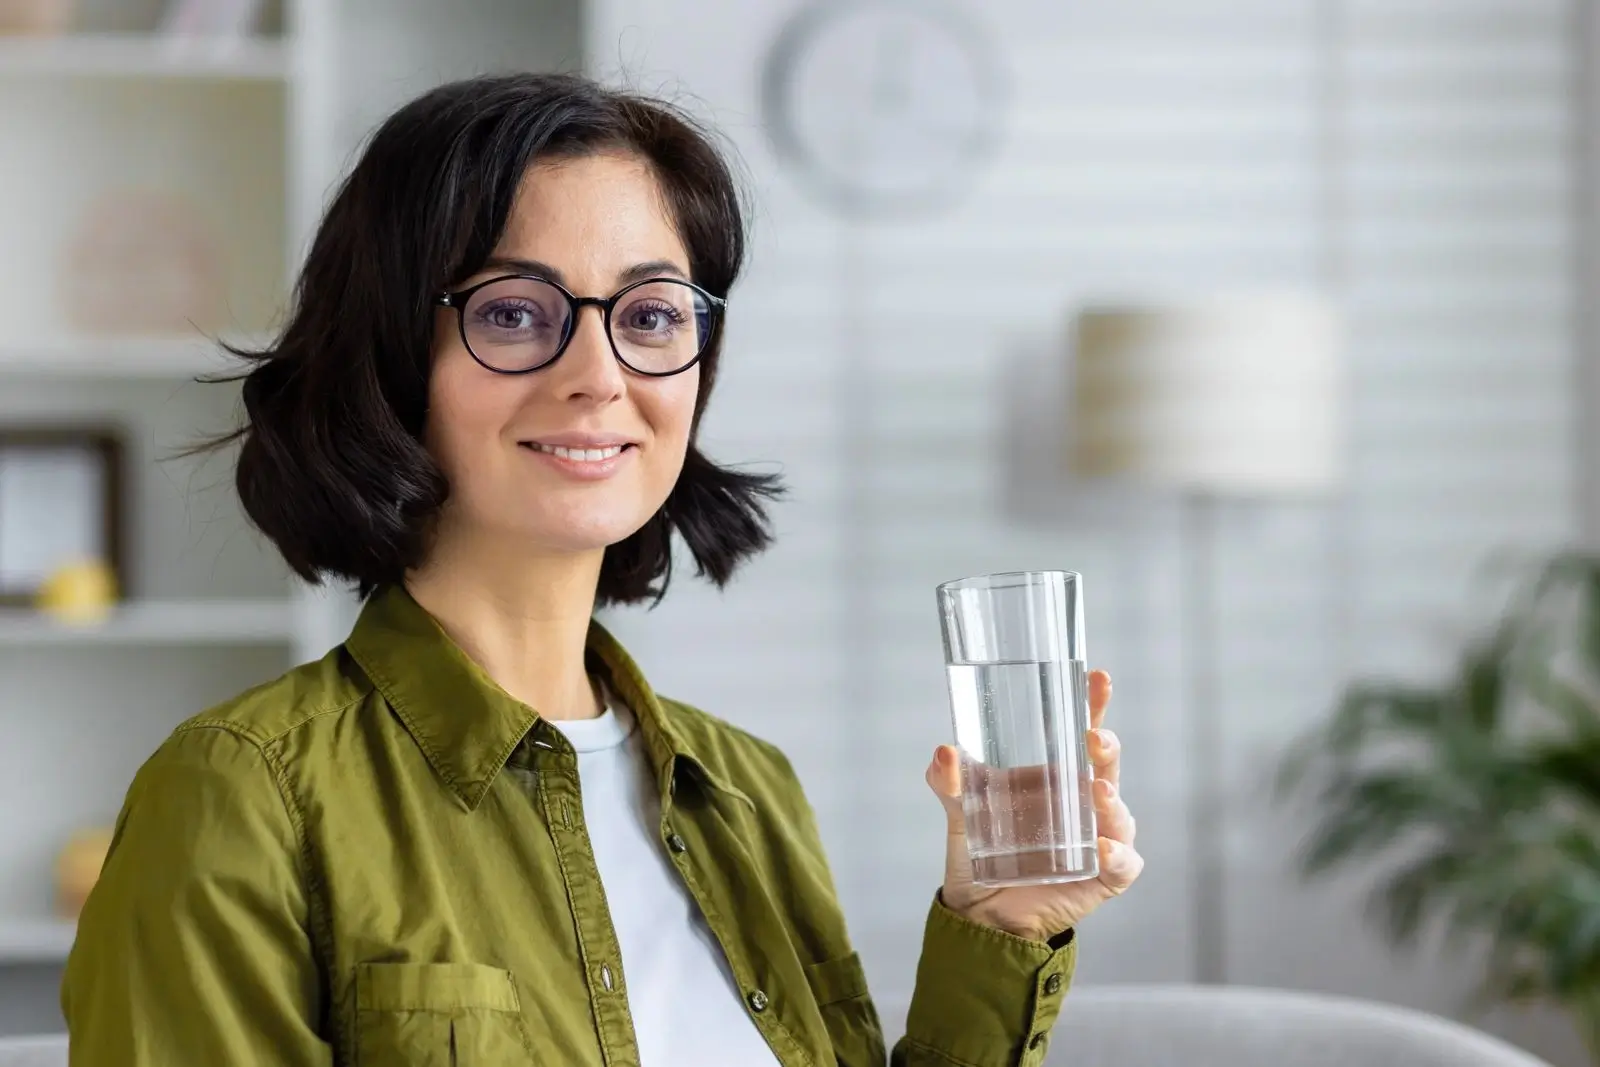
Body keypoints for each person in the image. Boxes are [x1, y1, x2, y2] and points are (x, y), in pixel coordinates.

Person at [60, 72, 1143, 1066]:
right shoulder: (243, 791)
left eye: (652, 315)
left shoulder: (747, 789)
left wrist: (994, 928)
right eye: (514, 313)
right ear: (392, 359)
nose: (598, 374)